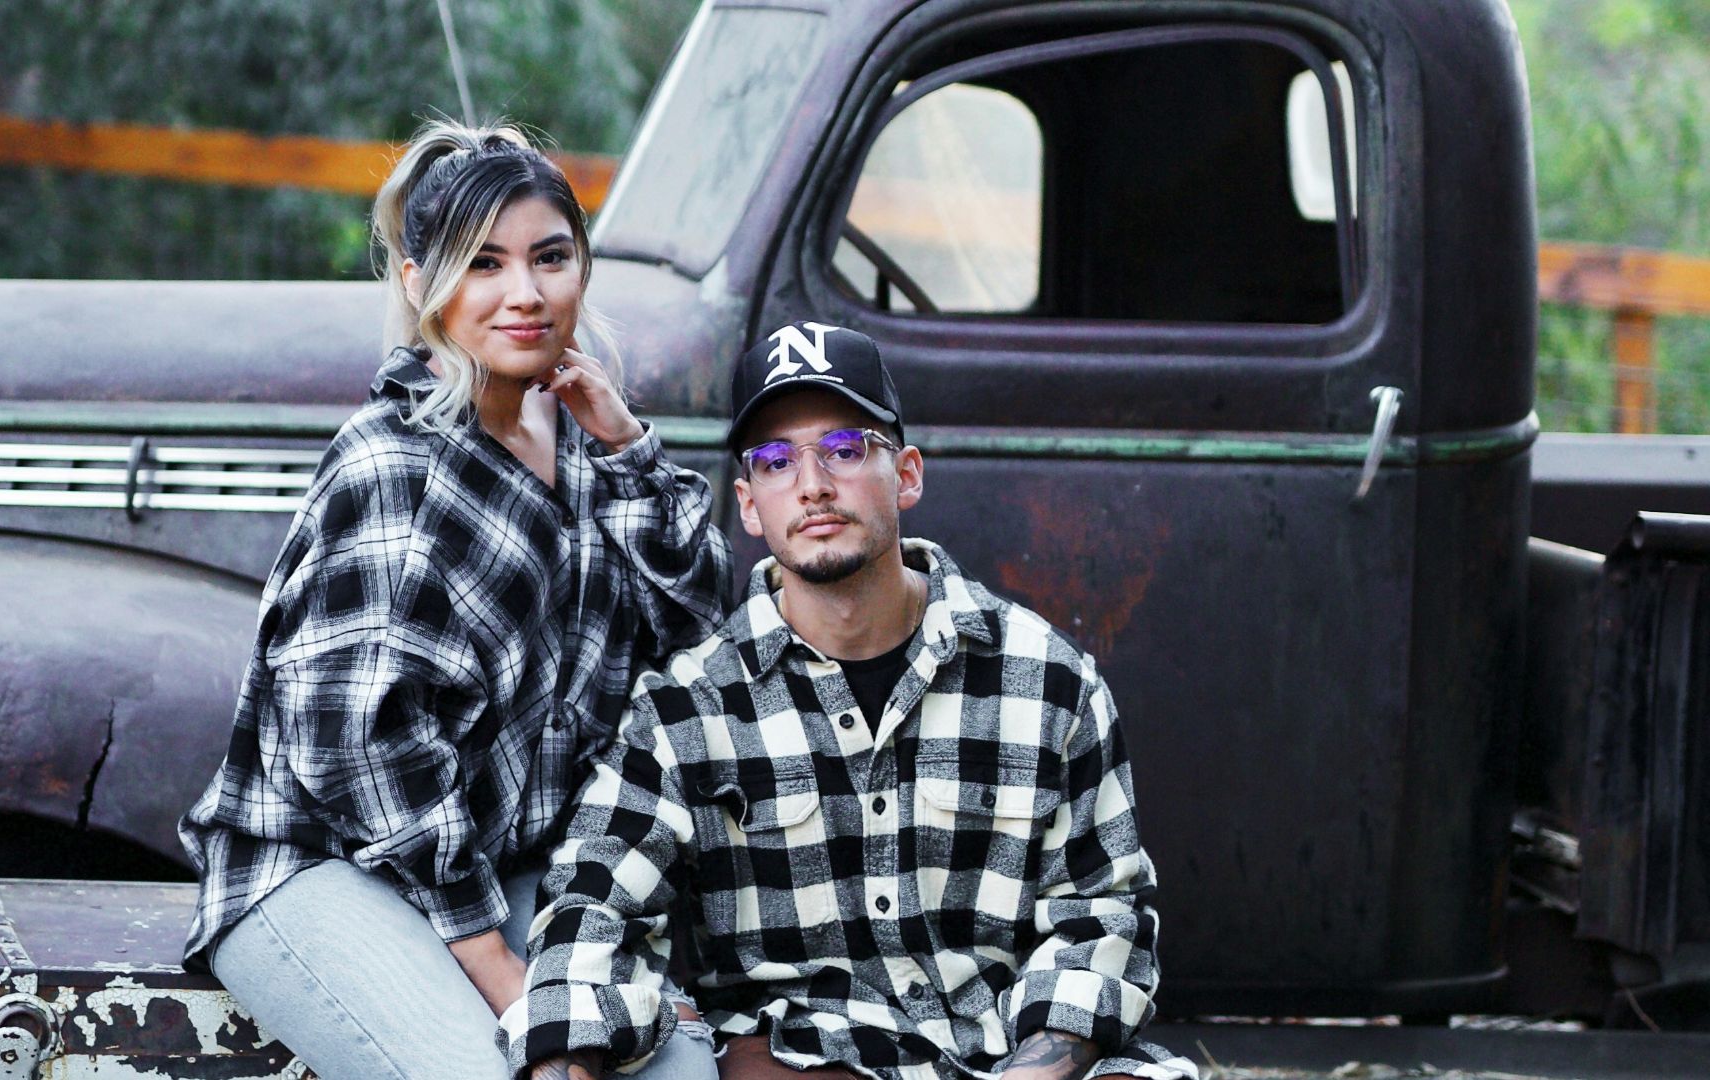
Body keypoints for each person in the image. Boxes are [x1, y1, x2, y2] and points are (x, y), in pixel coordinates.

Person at [178, 120, 731, 1080]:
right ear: (417, 282)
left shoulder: (585, 440)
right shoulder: (397, 465)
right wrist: (504, 973)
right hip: (326, 867)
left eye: (550, 257)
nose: (525, 294)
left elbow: (693, 628)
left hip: (505, 866)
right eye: (483, 264)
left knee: (680, 1073)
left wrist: (634, 447)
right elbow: (358, 750)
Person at [503, 322, 1197, 1080]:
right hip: (803, 1059)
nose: (812, 485)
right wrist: (566, 1059)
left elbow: (1102, 914)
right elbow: (592, 909)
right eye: (775, 461)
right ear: (749, 503)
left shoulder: (1047, 680)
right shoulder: (688, 710)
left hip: (1005, 1052)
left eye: (844, 449)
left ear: (906, 474)